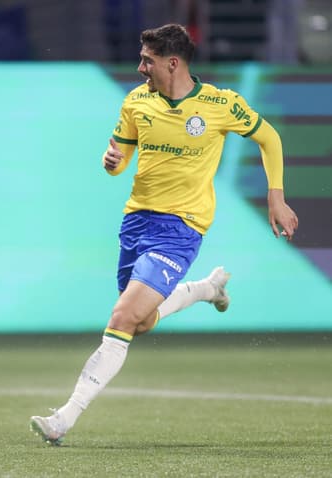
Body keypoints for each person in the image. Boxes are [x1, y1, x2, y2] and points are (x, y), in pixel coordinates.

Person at [30, 24, 299, 446]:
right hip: (136, 221)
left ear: (172, 63)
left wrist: (276, 197)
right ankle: (207, 290)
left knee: (120, 319)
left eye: (147, 60)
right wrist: (111, 161)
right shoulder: (137, 103)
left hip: (181, 228)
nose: (140, 68)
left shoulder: (219, 103)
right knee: (140, 322)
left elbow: (270, 138)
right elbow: (120, 159)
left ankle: (63, 418)